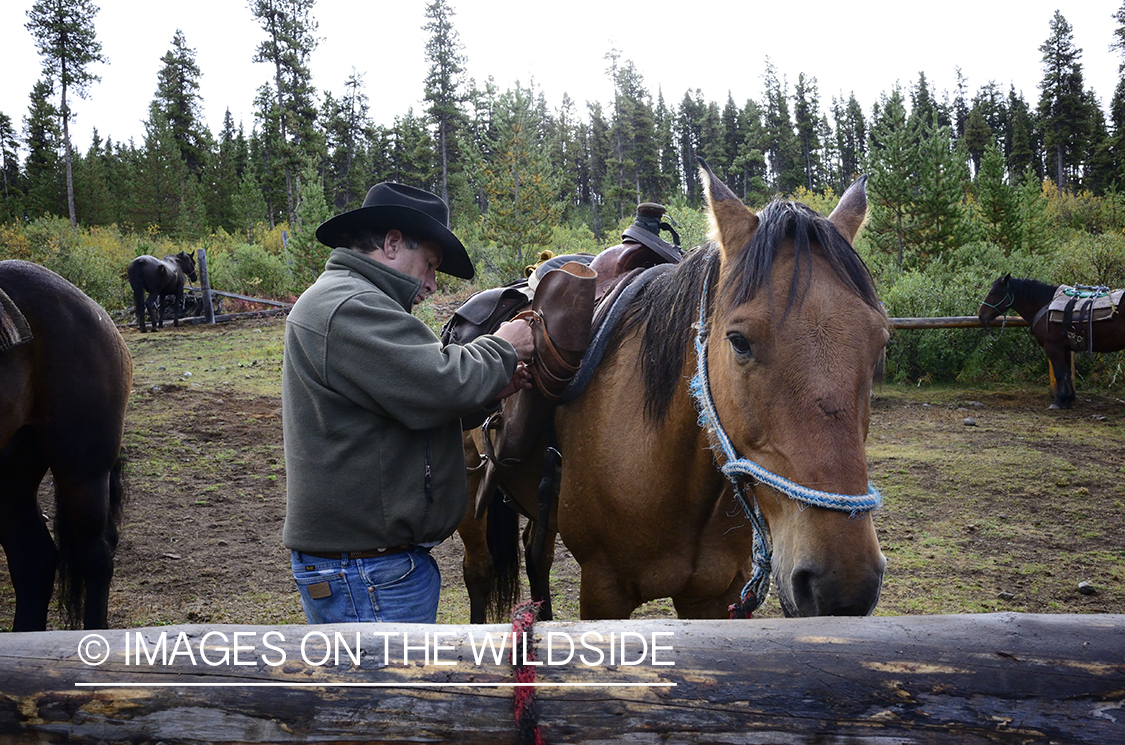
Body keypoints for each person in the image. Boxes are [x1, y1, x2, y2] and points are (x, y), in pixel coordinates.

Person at [281, 182, 534, 624]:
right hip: (368, 573)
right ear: (393, 243)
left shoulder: (347, 299)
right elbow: (438, 382)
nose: (432, 284)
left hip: (369, 567)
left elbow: (409, 406)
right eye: (430, 265)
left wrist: (488, 394)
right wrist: (503, 347)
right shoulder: (351, 307)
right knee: (388, 675)